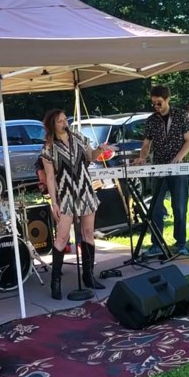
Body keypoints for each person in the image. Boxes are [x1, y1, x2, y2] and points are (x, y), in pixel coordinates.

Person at [41, 108, 115, 299]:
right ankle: (55, 281)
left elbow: (90, 157)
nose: (65, 123)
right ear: (52, 124)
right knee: (62, 238)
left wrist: (101, 150)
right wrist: (54, 202)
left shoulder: (79, 138)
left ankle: (88, 275)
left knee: (88, 233)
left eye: (65, 119)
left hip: (85, 190)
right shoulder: (48, 148)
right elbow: (50, 177)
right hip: (65, 194)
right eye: (60, 121)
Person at [134, 85, 189, 256]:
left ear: (168, 100)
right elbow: (146, 144)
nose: (156, 107)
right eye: (153, 103)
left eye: (159, 103)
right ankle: (156, 243)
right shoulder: (152, 120)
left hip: (177, 168)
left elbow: (188, 141)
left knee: (179, 206)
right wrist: (142, 157)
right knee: (156, 207)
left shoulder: (181, 115)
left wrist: (179, 157)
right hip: (159, 166)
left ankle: (181, 243)